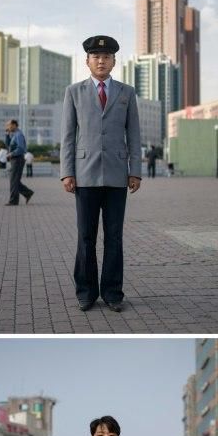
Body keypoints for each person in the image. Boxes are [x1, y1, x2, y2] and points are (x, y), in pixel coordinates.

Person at [60, 35, 142, 313]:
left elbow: (134, 134)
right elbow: (67, 136)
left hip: (118, 175)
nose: (101, 60)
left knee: (114, 237)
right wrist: (66, 173)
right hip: (84, 175)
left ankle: (112, 292)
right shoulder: (74, 92)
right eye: (96, 56)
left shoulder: (126, 92)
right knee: (86, 236)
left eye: (106, 57)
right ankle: (86, 292)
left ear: (114, 61)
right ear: (87, 61)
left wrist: (136, 171)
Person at [5, 120, 34, 206]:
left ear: (14, 125)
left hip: (18, 159)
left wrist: (11, 153)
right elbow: (8, 145)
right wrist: (7, 135)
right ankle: (28, 193)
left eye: (8, 125)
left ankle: (14, 201)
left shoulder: (19, 135)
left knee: (14, 180)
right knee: (15, 180)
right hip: (15, 159)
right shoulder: (14, 135)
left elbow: (21, 148)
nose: (7, 127)